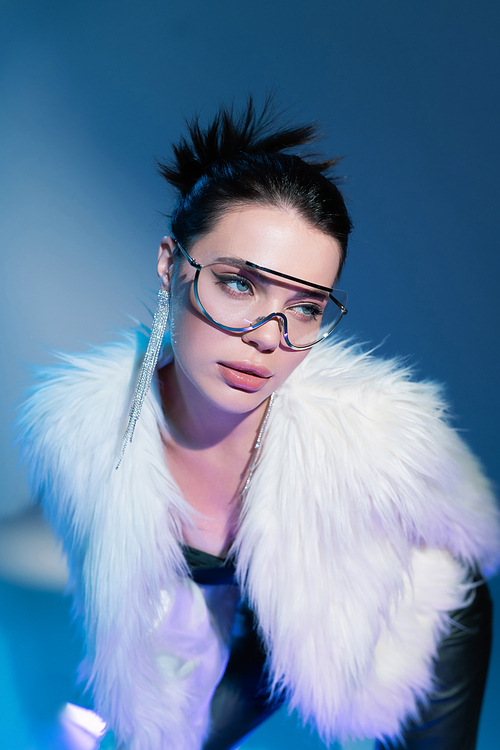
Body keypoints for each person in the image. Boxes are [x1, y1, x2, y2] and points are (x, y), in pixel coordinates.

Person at [16, 99, 499, 750]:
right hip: (225, 627)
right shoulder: (84, 438)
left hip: (390, 613)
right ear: (170, 266)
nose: (269, 339)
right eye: (240, 284)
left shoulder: (371, 440)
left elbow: (466, 536)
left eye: (304, 308)